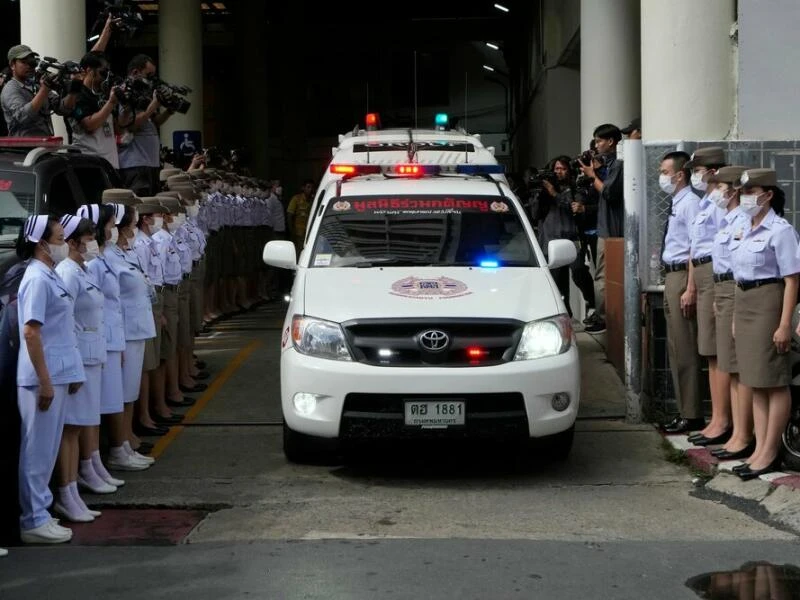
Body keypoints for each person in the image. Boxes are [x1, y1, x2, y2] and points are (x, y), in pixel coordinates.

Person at [16, 215, 85, 544]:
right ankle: (33, 519)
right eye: (58, 238)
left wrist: (70, 373)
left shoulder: (50, 275)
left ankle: (42, 512)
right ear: (41, 244)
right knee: (37, 451)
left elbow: (63, 330)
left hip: (56, 373)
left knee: (47, 448)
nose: (63, 242)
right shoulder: (37, 279)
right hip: (40, 378)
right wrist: (45, 382)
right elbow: (31, 332)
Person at [731, 169, 800, 480]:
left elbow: (792, 280)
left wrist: (785, 324)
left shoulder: (780, 230)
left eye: (752, 191)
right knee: (755, 380)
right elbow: (738, 276)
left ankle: (771, 451)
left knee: (773, 378)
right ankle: (759, 448)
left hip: (768, 303)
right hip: (744, 303)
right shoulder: (745, 227)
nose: (746, 197)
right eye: (743, 191)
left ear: (768, 194)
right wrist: (735, 316)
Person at [53, 215, 107, 522]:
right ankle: (66, 491)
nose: (93, 243)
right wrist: (73, 365)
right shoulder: (68, 273)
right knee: (71, 427)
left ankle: (73, 489)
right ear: (74, 242)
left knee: (79, 424)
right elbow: (65, 322)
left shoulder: (80, 269)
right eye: (88, 238)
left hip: (88, 353)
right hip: (77, 357)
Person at [704, 166, 755, 461]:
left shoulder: (744, 220)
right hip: (722, 288)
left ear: (733, 189)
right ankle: (735, 430)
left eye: (720, 186)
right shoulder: (726, 220)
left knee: (737, 366)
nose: (715, 192)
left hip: (736, 290)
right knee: (728, 364)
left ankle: (743, 433)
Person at [682, 148, 732, 447]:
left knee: (717, 352)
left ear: (712, 171)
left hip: (715, 273)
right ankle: (717, 417)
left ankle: (723, 419)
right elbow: (694, 246)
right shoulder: (705, 202)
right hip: (702, 273)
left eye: (697, 170)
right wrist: (692, 284)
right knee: (710, 352)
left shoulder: (721, 203)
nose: (694, 176)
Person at [105, 201, 157, 468]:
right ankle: (118, 447)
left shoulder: (125, 253)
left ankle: (125, 443)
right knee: (122, 393)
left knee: (130, 391)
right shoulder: (109, 257)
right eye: (133, 224)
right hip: (124, 331)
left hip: (137, 328)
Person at [82, 203, 130, 486]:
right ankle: (90, 465)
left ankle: (98, 461)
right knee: (91, 409)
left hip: (107, 339)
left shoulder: (102, 259)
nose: (113, 230)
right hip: (95, 343)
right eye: (110, 225)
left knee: (105, 401)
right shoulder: (92, 265)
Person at [659, 151, 704, 434]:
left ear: (679, 174)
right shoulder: (678, 202)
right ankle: (684, 410)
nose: (661, 177)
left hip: (682, 277)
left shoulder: (691, 204)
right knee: (676, 347)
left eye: (665, 172)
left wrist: (690, 287)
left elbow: (694, 249)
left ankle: (692, 414)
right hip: (671, 275)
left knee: (685, 348)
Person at [579, 124, 624, 334]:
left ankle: (603, 317)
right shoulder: (610, 164)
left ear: (611, 142)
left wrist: (592, 175)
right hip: (605, 228)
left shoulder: (619, 164)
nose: (596, 146)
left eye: (599, 141)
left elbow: (609, 193)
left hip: (611, 230)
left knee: (602, 277)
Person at [530, 157, 582, 317]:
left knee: (579, 273)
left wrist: (554, 193)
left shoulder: (573, 188)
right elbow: (534, 214)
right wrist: (541, 195)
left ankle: (590, 303)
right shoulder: (542, 192)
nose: (559, 172)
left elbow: (571, 207)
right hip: (549, 241)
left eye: (563, 169)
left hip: (570, 239)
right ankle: (563, 313)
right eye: (556, 169)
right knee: (557, 283)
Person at [118, 55, 175, 196]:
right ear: (135, 72)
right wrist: (154, 105)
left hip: (151, 162)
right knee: (141, 209)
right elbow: (130, 125)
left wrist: (169, 110)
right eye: (148, 75)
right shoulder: (125, 92)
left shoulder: (143, 92)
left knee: (152, 207)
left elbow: (154, 122)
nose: (151, 80)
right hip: (135, 164)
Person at [1, 44, 77, 137]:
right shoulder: (11, 88)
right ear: (12, 65)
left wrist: (74, 90)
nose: (29, 66)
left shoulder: (37, 86)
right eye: (24, 62)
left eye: (32, 62)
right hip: (23, 149)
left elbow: (62, 109)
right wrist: (44, 90)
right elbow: (22, 117)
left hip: (44, 146)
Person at [67, 51, 123, 170]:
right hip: (89, 164)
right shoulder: (78, 94)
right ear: (89, 70)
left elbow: (119, 130)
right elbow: (89, 125)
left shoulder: (104, 94)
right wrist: (111, 103)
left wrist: (126, 106)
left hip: (110, 163)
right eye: (103, 72)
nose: (106, 76)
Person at [287, 180, 315, 255]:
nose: (310, 189)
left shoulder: (314, 199)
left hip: (310, 231)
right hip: (299, 232)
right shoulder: (296, 199)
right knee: (299, 252)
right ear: (303, 188)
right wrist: (291, 231)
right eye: (308, 187)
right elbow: (290, 215)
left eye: (312, 187)